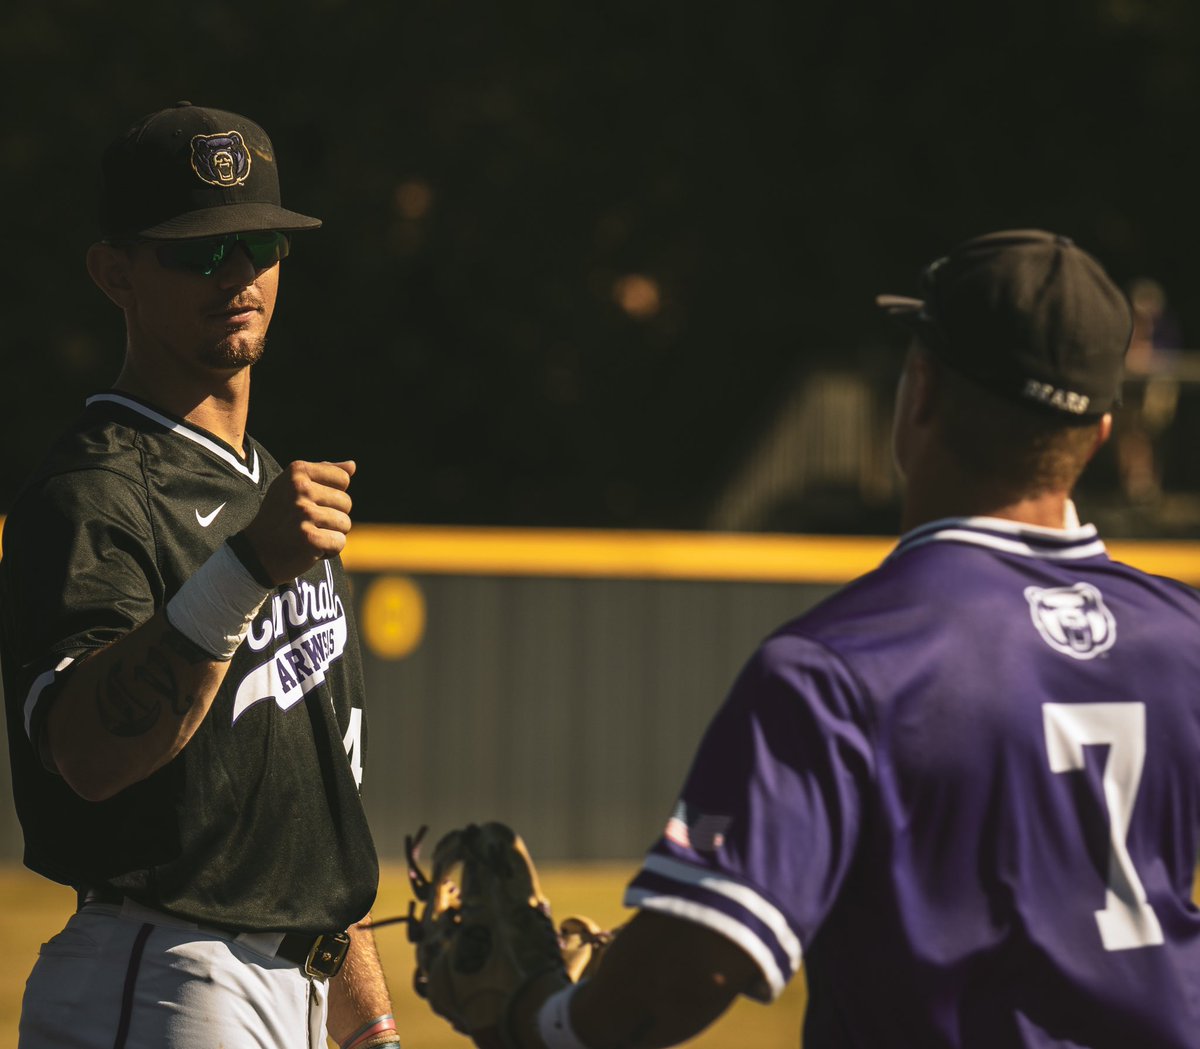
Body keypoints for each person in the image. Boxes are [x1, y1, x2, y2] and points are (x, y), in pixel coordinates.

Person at [506, 231, 1200, 1048]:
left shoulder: (840, 665)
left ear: (921, 392)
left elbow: (693, 964)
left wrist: (537, 1021)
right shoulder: (1184, 636)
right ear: (1102, 435)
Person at [1, 102, 400, 1049]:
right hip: (167, 973)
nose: (238, 274)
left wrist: (371, 1027)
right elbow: (88, 755)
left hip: (292, 984)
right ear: (115, 274)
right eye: (197, 251)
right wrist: (249, 566)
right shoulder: (93, 491)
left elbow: (311, 814)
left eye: (257, 242)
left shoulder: (267, 487)